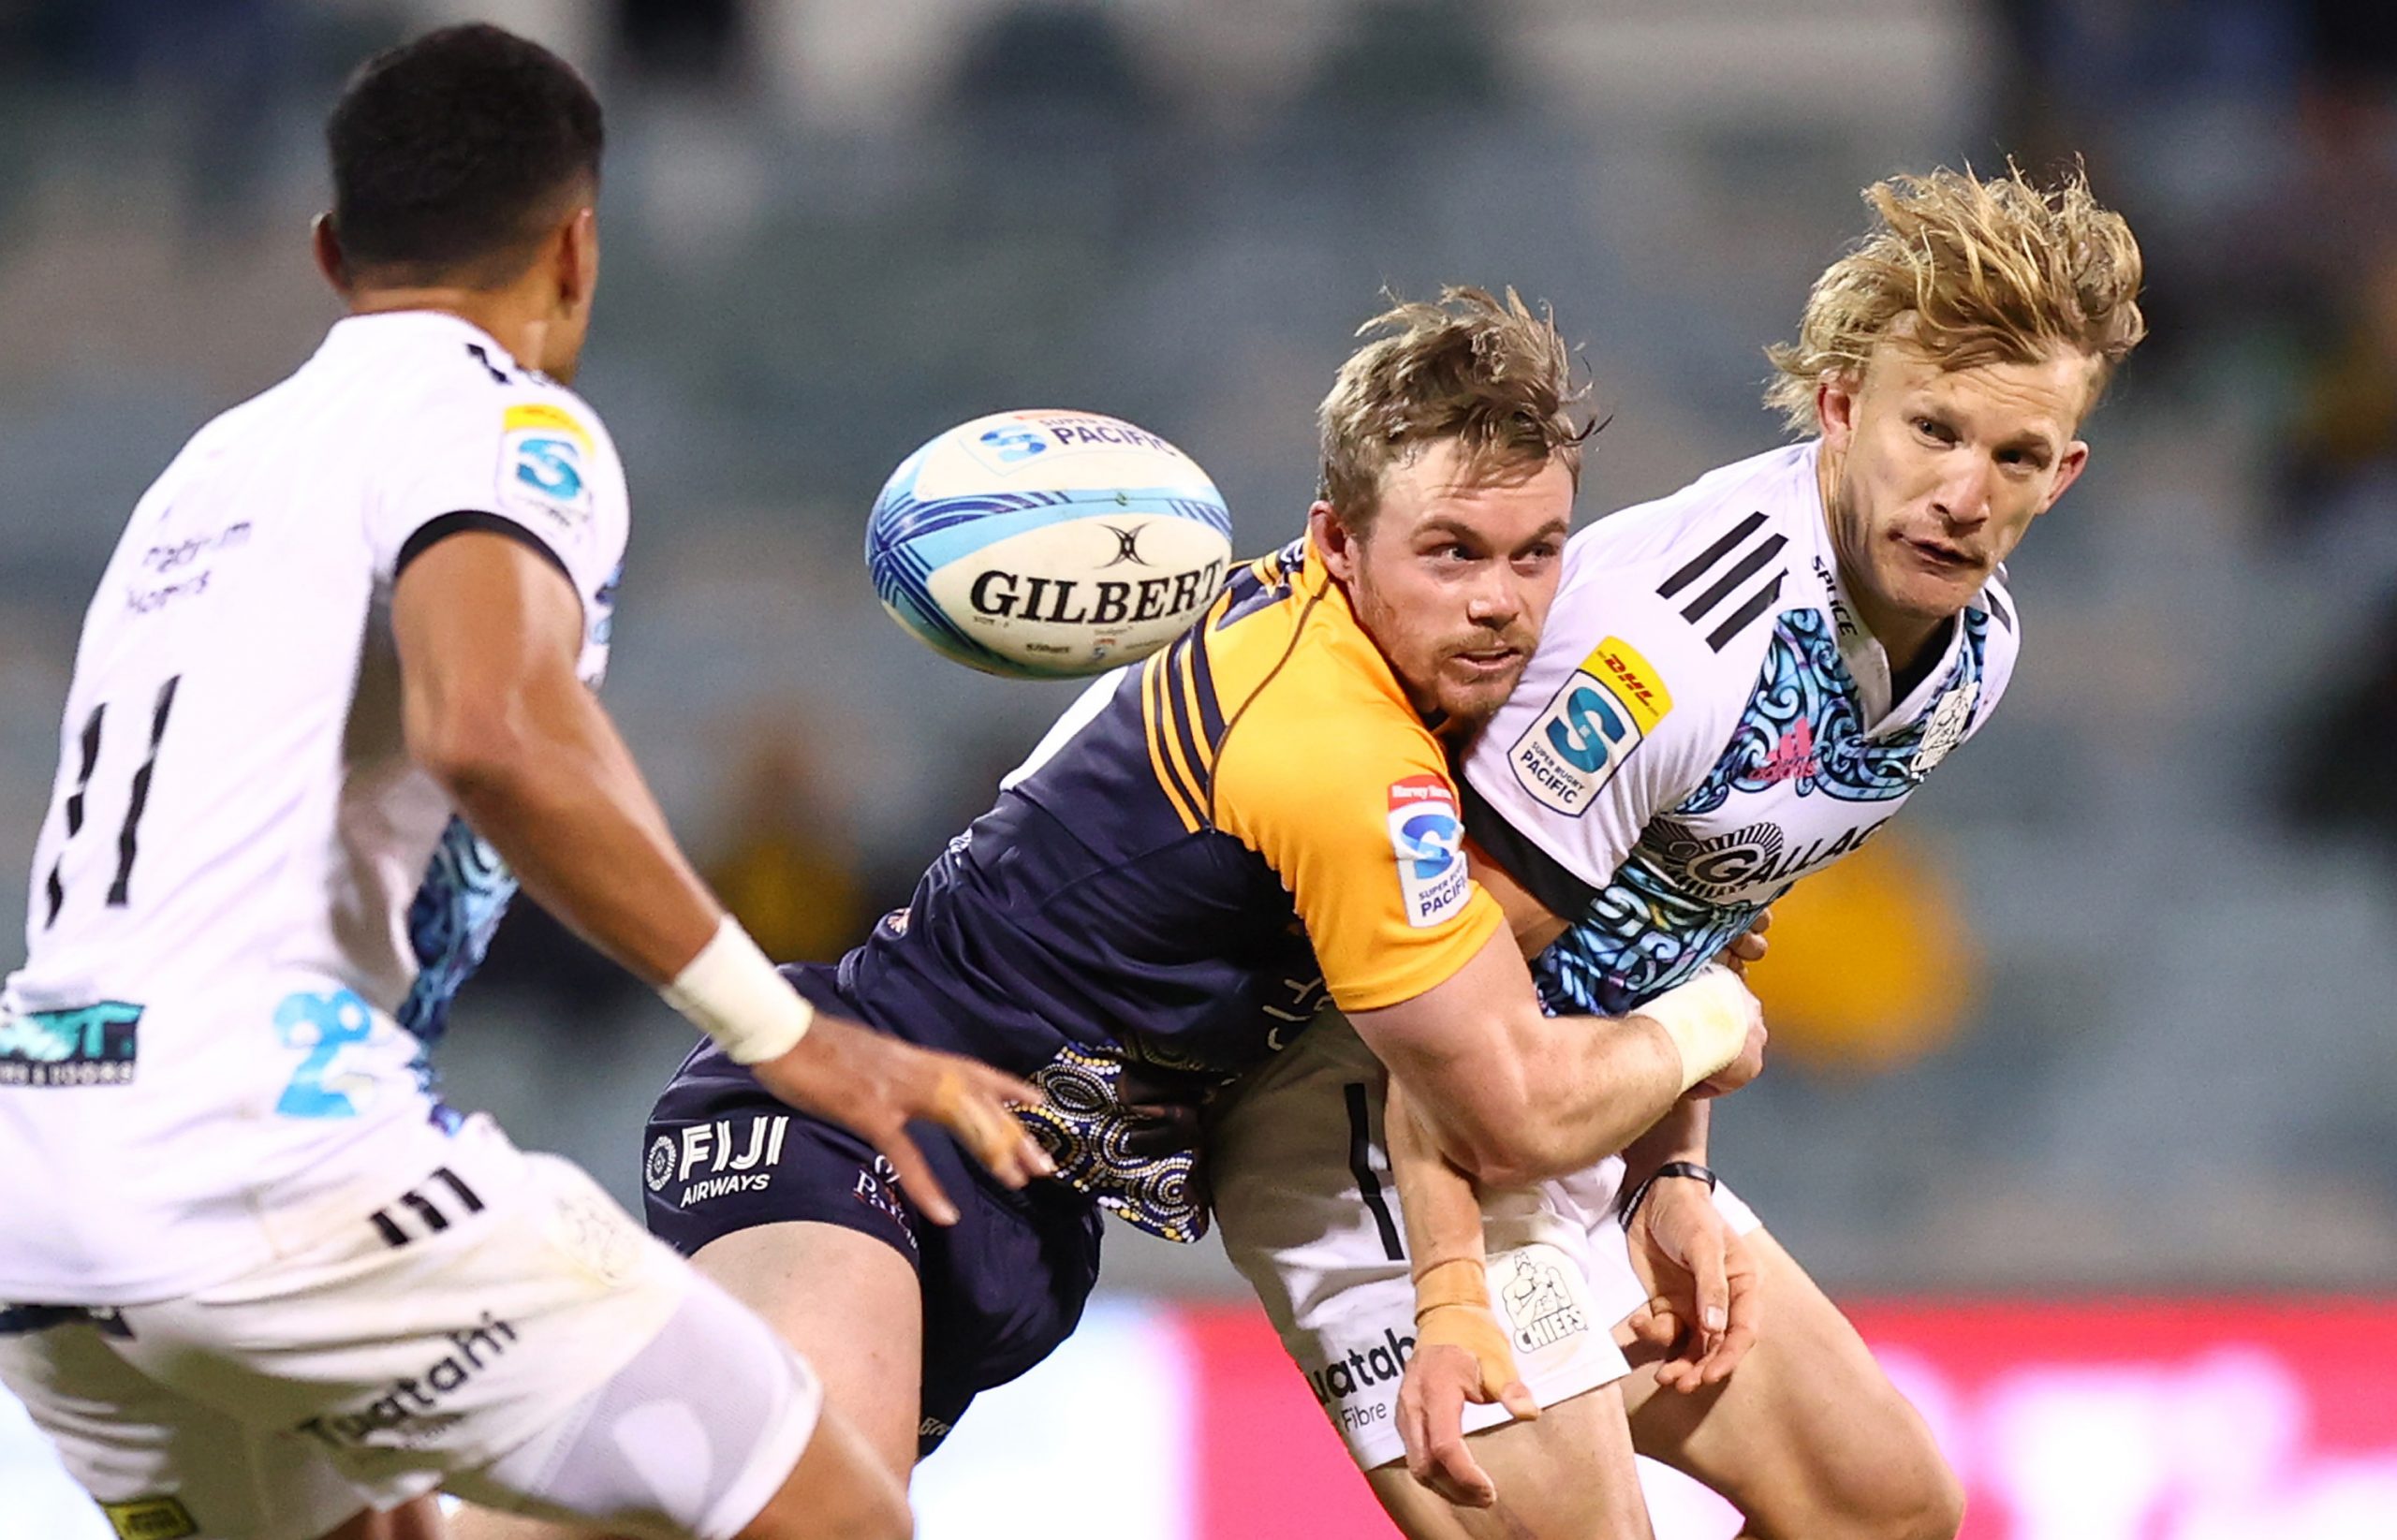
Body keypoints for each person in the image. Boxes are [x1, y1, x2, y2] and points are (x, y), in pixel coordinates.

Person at [455, 287, 1771, 1540]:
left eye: (1538, 552)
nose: (1500, 599)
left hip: (1026, 1214)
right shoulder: (1338, 748)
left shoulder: (1405, 685)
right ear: (1334, 543)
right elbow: (1504, 1098)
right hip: (852, 1124)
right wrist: (1706, 1009)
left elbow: (1445, 1007)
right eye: (1452, 552)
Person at [0, 26, 1047, 1540]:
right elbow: (487, 726)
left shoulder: (205, 468)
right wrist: (789, 1034)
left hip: (45, 1175)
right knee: (837, 1517)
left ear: (326, 249)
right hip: (265, 1149)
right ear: (577, 247)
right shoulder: (501, 416)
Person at [1211, 162, 2147, 1540]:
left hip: (1567, 1098)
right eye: (1932, 430)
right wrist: (1454, 1283)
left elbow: (1707, 903)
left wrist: (1673, 1176)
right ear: (1841, 410)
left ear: (2062, 472)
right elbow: (1431, 986)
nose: (1962, 492)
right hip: (1372, 1102)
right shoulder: (1678, 641)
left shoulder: (1970, 654)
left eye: (2012, 457)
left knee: (1881, 1509)